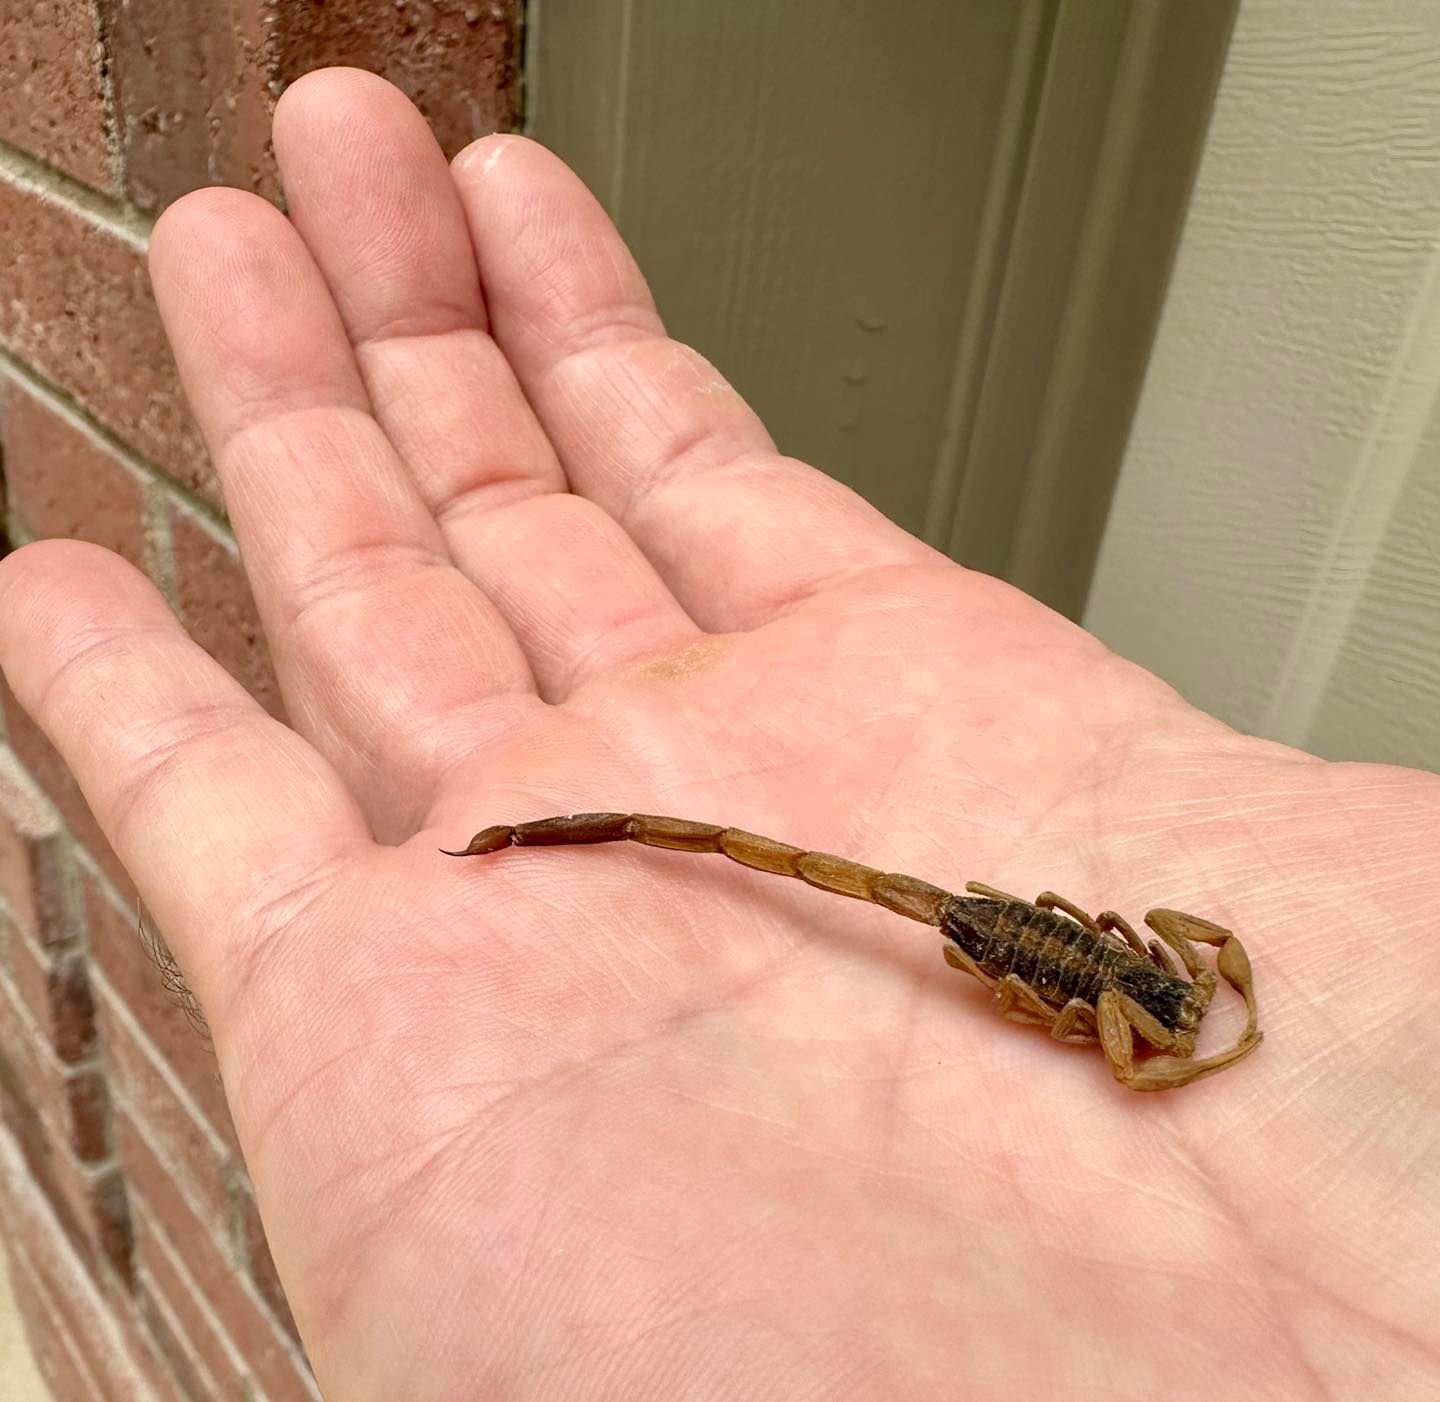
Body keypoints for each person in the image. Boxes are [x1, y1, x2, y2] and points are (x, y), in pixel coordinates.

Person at [0, 67, 1434, 1401]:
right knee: (829, 877)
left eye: (1176, 1007)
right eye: (1176, 1002)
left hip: (1013, 937)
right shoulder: (1145, 986)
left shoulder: (1147, 995)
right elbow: (1121, 1019)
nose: (1178, 1006)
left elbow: (1121, 1026)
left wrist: (1199, 1042)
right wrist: (1190, 1032)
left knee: (838, 881)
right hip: (1012, 931)